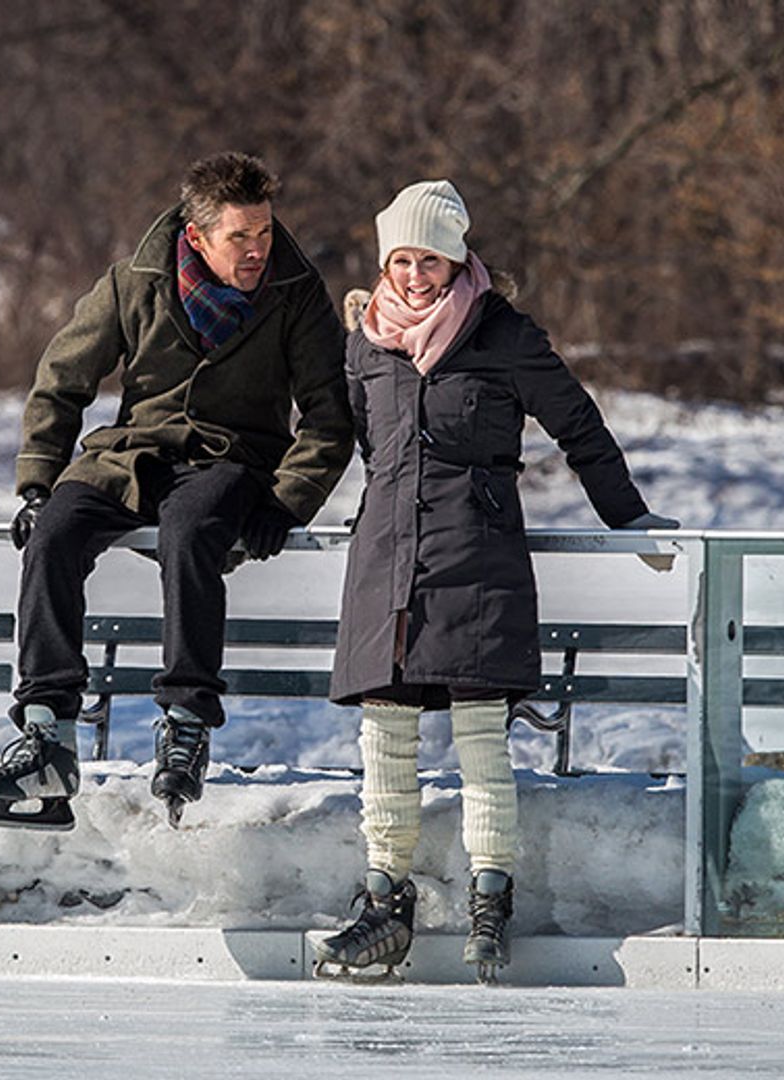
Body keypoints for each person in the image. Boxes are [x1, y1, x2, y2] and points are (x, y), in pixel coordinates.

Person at [315, 179, 678, 981]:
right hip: (385, 558)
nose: (414, 277)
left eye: (431, 260)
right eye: (402, 260)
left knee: (482, 736)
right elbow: (359, 448)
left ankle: (490, 897)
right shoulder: (365, 341)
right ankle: (383, 901)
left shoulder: (503, 334)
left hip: (477, 553)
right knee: (385, 737)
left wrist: (629, 517)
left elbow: (578, 426)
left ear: (459, 259)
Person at [0, 152, 353, 830]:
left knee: (193, 529)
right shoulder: (133, 282)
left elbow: (329, 415)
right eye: (241, 237)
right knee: (55, 530)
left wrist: (287, 501)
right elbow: (61, 380)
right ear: (197, 236)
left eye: (264, 232)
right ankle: (47, 736)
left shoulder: (297, 292)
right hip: (131, 456)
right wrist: (36, 481)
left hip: (232, 459)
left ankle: (186, 722)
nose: (259, 248)